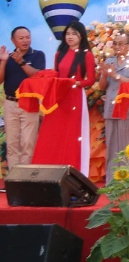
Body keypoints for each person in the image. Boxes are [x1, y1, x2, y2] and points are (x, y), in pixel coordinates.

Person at [32, 23, 96, 172]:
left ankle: (74, 172)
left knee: (73, 135)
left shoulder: (86, 54)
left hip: (75, 98)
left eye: (74, 34)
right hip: (58, 97)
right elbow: (57, 75)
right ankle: (49, 170)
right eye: (68, 34)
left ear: (81, 36)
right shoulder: (59, 54)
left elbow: (91, 80)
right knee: (54, 133)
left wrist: (75, 83)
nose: (70, 37)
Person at [99, 31, 129, 183]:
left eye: (121, 44)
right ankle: (112, 182)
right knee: (112, 147)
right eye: (115, 44)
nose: (117, 47)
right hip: (111, 108)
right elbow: (102, 87)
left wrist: (115, 75)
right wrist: (104, 74)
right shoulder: (110, 61)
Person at [3, 26, 45, 170]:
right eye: (21, 38)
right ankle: (14, 179)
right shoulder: (7, 58)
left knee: (28, 142)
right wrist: (3, 62)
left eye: (28, 37)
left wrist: (21, 62)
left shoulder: (38, 55)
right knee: (12, 143)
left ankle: (26, 178)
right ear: (12, 40)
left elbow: (38, 76)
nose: (25, 41)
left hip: (29, 103)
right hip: (10, 103)